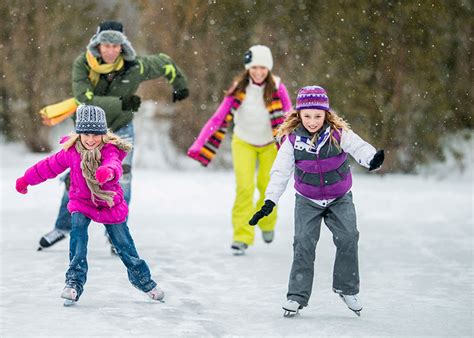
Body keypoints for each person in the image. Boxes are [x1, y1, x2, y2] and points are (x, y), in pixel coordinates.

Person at [38, 20, 189, 252]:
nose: (110, 50)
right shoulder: (83, 64)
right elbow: (85, 100)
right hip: (86, 132)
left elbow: (165, 63)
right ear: (98, 45)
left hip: (120, 130)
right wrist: (122, 102)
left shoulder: (134, 67)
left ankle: (116, 236)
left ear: (122, 47)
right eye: (105, 45)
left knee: (122, 178)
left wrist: (179, 83)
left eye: (115, 46)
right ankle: (62, 227)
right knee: (75, 178)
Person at [249, 85, 385, 317]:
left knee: (349, 237)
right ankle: (296, 297)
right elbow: (280, 172)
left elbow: (358, 147)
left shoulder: (338, 134)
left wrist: (371, 159)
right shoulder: (292, 140)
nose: (312, 121)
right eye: (307, 116)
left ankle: (346, 288)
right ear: (299, 114)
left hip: (339, 198)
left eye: (318, 116)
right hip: (307, 201)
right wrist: (269, 201)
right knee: (303, 243)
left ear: (326, 114)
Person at [15, 105, 164, 305]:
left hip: (109, 203)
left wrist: (108, 172)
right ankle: (73, 283)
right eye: (86, 133)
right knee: (77, 237)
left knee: (123, 245)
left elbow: (115, 165)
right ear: (79, 133)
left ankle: (144, 282)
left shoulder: (110, 150)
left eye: (96, 134)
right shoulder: (72, 151)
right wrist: (26, 180)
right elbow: (48, 166)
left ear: (104, 134)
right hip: (82, 202)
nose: (91, 139)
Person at [187, 45, 292, 255]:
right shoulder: (238, 88)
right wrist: (199, 143)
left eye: (262, 68)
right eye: (254, 67)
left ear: (268, 68)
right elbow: (218, 117)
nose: (258, 72)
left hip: (271, 144)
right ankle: (241, 237)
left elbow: (290, 116)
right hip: (243, 142)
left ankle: (268, 222)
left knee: (266, 186)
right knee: (244, 188)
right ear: (248, 68)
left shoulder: (278, 87)